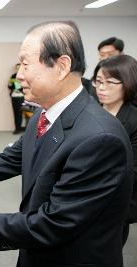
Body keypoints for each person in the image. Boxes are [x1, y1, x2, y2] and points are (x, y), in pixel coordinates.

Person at [0, 21, 133, 267]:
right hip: (37, 251)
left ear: (61, 66)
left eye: (25, 64)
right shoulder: (45, 114)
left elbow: (57, 222)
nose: (19, 74)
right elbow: (11, 158)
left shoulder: (99, 138)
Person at [93, 54, 137, 246]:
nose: (102, 88)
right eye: (99, 81)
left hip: (115, 202)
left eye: (110, 82)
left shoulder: (134, 120)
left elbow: (132, 171)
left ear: (127, 83)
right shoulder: (90, 111)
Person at [8, 63, 25, 134]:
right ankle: (17, 128)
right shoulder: (13, 76)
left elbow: (26, 85)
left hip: (21, 97)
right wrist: (10, 84)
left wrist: (20, 89)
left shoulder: (24, 75)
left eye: (19, 67)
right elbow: (9, 86)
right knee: (15, 113)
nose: (18, 69)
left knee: (20, 113)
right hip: (14, 97)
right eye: (17, 68)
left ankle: (20, 128)